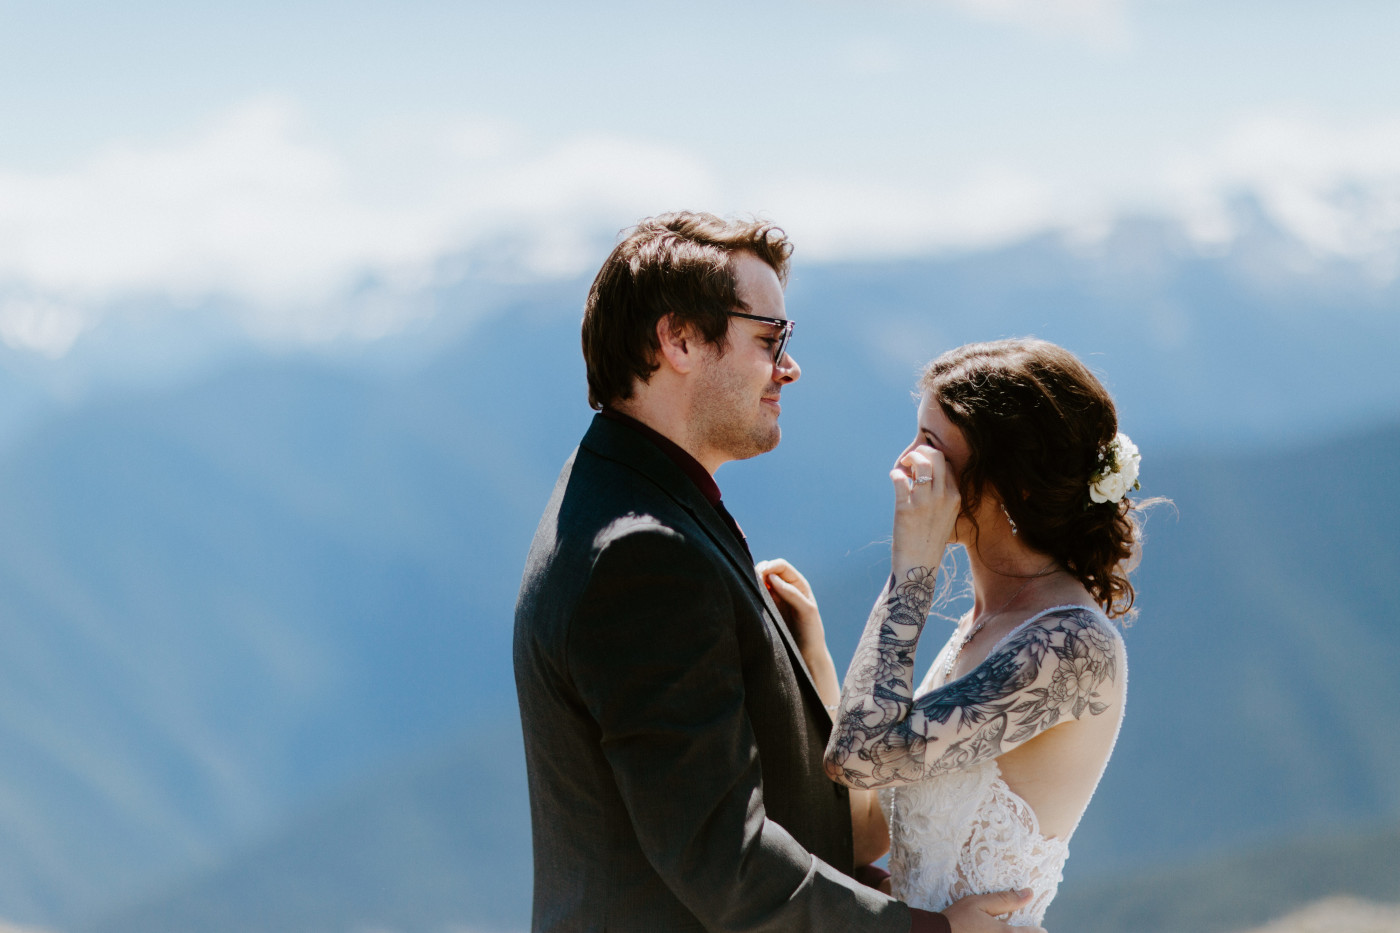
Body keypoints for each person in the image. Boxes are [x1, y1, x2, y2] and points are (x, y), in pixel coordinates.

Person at [513, 213, 1040, 933]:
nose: (789, 367)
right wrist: (929, 931)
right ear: (680, 340)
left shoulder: (625, 494)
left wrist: (810, 664)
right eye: (770, 339)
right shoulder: (645, 552)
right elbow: (722, 859)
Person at [761, 338, 1146, 926]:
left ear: (1014, 483)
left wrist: (912, 571)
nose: (905, 465)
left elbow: (860, 757)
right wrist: (812, 648)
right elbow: (866, 832)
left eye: (932, 447)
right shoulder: (982, 625)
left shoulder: (1071, 649)